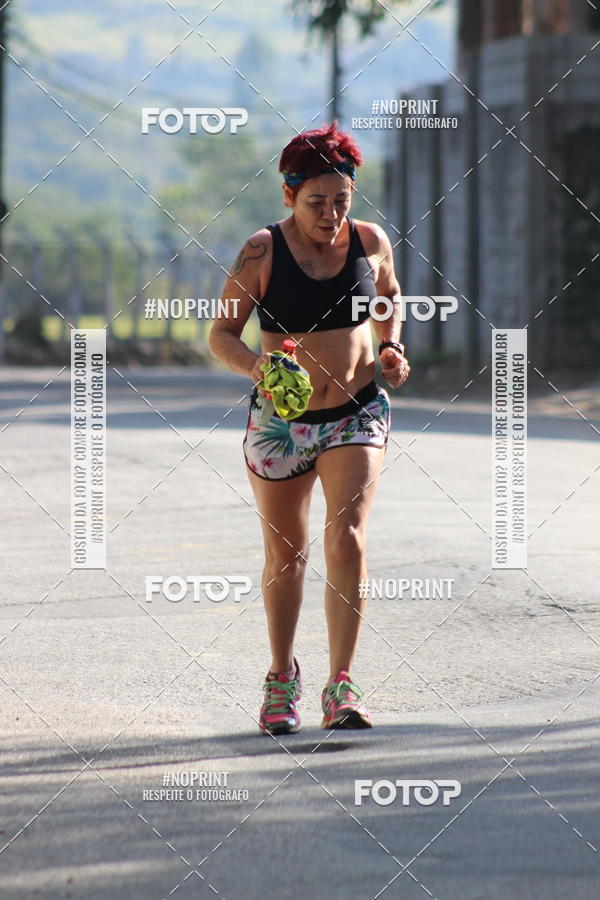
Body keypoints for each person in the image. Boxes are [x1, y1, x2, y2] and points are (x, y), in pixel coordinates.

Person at [209, 122, 410, 735]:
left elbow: (388, 298)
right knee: (287, 554)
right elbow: (221, 334)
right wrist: (256, 366)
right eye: (317, 202)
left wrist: (391, 345)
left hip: (356, 411)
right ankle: (281, 677)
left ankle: (341, 684)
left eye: (341, 201)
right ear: (289, 194)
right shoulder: (262, 253)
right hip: (282, 423)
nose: (330, 215)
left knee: (346, 537)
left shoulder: (370, 241)